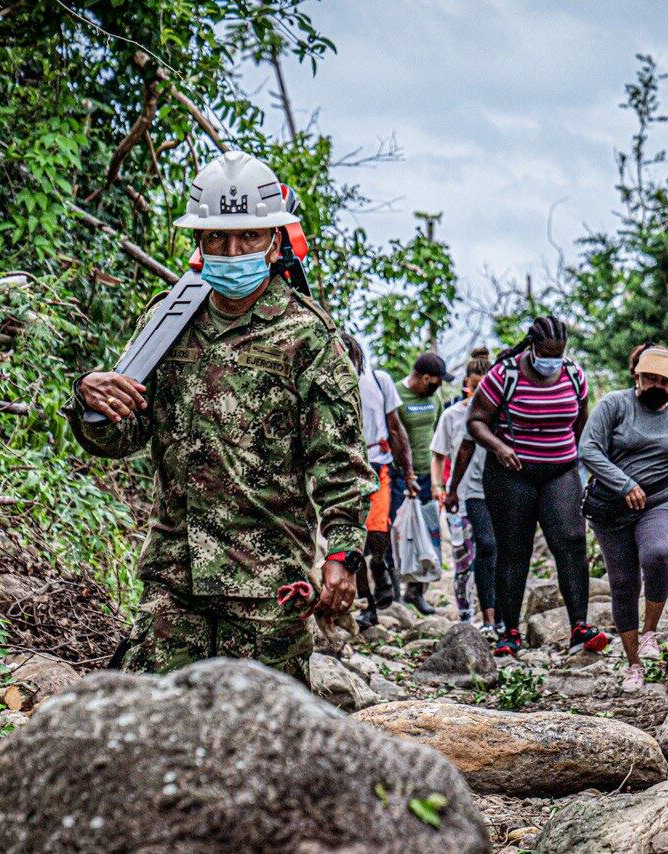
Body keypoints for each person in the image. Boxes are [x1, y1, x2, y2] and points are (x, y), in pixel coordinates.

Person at [69, 151, 376, 685]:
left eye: (248, 238)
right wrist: (90, 401)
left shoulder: (308, 338)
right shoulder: (169, 320)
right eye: (216, 239)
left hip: (266, 585)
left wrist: (343, 558)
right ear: (199, 243)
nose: (231, 251)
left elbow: (341, 465)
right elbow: (127, 433)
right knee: (154, 730)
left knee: (261, 744)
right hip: (174, 576)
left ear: (275, 240)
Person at [467, 316, 608, 658]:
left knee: (572, 540)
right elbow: (475, 421)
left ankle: (579, 626)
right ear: (532, 348)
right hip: (511, 472)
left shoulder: (573, 375)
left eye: (559, 353)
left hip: (559, 470)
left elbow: (581, 420)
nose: (553, 360)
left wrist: (579, 459)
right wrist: (499, 447)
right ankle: (509, 631)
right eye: (547, 353)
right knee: (514, 549)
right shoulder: (505, 375)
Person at [579, 344, 668, 693]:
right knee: (623, 584)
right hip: (611, 508)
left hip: (662, 500)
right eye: (649, 378)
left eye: (663, 382)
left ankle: (651, 631)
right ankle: (633, 663)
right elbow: (588, 449)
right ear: (636, 376)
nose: (655, 386)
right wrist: (623, 484)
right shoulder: (614, 406)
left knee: (656, 553)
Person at [341, 334, 415, 630]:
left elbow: (396, 429)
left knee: (377, 530)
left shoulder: (378, 381)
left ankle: (380, 566)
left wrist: (408, 472)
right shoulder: (331, 387)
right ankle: (368, 602)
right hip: (346, 468)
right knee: (354, 538)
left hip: (377, 465)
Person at [432, 347, 497, 633]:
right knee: (462, 559)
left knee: (488, 551)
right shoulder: (451, 416)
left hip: (489, 495)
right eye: (474, 386)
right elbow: (438, 454)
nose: (479, 392)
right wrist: (438, 486)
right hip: (457, 497)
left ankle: (491, 617)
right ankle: (465, 616)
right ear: (465, 384)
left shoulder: (499, 416)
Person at [392, 352, 451, 614]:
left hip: (428, 476)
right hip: (399, 475)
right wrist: (405, 473)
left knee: (428, 532)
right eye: (436, 382)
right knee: (396, 531)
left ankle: (417, 591)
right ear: (424, 377)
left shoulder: (434, 398)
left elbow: (439, 433)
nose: (439, 387)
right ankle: (393, 593)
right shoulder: (396, 395)